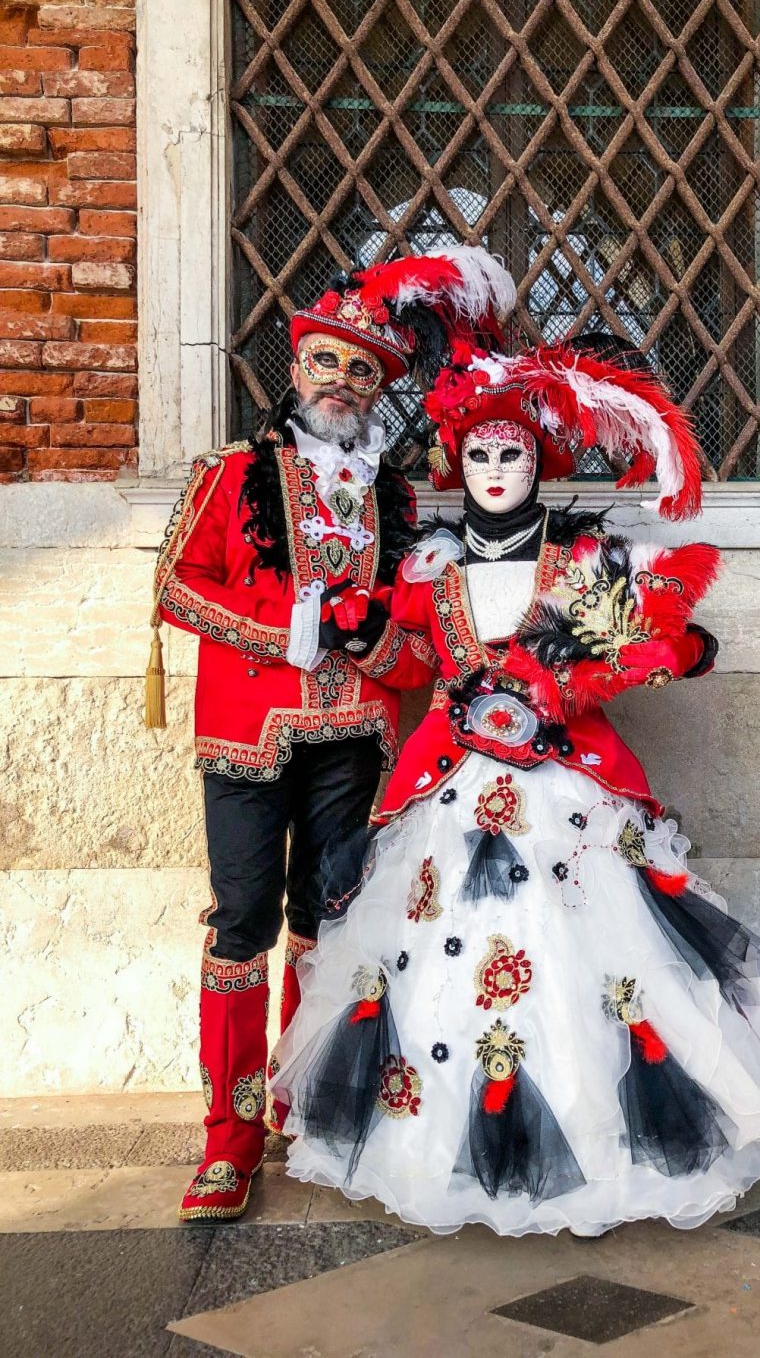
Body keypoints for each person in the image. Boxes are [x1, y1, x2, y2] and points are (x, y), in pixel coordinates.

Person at [271, 339, 760, 1237]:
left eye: (511, 452)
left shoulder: (584, 564)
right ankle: (434, 1144)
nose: (493, 469)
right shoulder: (429, 575)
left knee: (602, 961)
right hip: (450, 788)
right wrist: (350, 627)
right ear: (457, 463)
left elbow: (650, 642)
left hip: (565, 790)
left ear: (538, 461)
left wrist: (657, 652)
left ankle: (603, 1145)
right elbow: (405, 655)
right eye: (478, 453)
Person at [149, 247, 517, 1222]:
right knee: (241, 924)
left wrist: (373, 642)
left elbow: (409, 626)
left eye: (364, 371)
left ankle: (296, 1097)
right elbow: (177, 586)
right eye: (329, 362)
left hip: (354, 730)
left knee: (327, 921)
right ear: (298, 367)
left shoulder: (393, 500)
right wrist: (281, 634)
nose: (344, 382)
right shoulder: (233, 474)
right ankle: (226, 1140)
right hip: (246, 729)